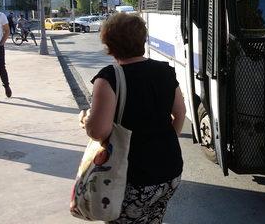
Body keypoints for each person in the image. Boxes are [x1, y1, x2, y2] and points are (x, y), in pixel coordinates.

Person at [79, 13, 186, 223]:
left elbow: (98, 131)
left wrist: (86, 120)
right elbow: (179, 113)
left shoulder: (108, 78)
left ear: (109, 44)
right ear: (142, 39)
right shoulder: (165, 71)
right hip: (170, 171)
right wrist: (162, 142)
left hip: (132, 177)